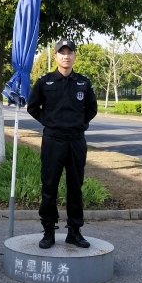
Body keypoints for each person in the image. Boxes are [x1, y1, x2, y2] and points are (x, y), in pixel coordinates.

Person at [27, 39, 97, 249]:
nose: (66, 56)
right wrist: (50, 123)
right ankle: (49, 231)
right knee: (49, 186)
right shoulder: (45, 82)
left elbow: (91, 109)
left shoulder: (83, 83)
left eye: (70, 52)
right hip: (53, 142)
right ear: (56, 56)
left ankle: (74, 232)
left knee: (75, 188)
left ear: (75, 56)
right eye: (62, 52)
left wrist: (79, 124)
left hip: (76, 142)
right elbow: (33, 107)